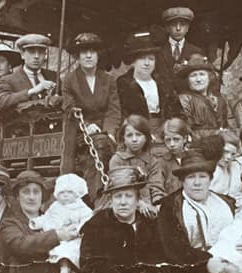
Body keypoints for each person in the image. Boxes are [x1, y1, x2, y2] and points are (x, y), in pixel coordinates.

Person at [60, 32, 121, 202]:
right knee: (99, 146)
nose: (88, 56)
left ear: (98, 55)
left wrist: (109, 130)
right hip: (80, 131)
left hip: (106, 130)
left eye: (92, 52)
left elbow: (113, 109)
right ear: (78, 56)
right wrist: (86, 125)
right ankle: (98, 197)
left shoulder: (108, 80)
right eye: (84, 52)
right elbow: (69, 108)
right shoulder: (69, 80)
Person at [30, 173, 93, 273]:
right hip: (58, 234)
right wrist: (37, 222)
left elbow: (87, 220)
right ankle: (61, 270)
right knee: (54, 247)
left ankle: (66, 271)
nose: (65, 196)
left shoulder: (81, 207)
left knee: (70, 250)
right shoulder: (55, 206)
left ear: (77, 194)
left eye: (69, 193)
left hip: (74, 237)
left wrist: (79, 229)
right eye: (62, 193)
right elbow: (47, 217)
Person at [116, 31, 182, 140]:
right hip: (136, 131)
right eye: (142, 58)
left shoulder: (163, 82)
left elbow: (177, 111)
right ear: (133, 61)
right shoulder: (124, 83)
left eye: (151, 59)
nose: (147, 63)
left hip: (166, 131)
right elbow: (123, 115)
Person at [104, 115, 165, 216]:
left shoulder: (152, 161)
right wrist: (139, 203)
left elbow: (156, 186)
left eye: (138, 135)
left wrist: (158, 203)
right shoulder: (117, 160)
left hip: (149, 206)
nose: (134, 139)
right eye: (129, 135)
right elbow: (120, 188)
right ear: (123, 138)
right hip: (124, 206)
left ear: (146, 137)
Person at [0, 33, 60, 113]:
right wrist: (32, 91)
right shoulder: (8, 80)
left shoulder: (53, 76)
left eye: (40, 52)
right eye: (32, 52)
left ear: (45, 55)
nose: (36, 56)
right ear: (22, 55)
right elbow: (1, 103)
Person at [177, 54, 232, 139]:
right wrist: (217, 133)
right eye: (193, 75)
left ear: (209, 77)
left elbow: (230, 123)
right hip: (198, 145)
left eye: (202, 74)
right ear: (187, 80)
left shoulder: (221, 98)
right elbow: (186, 130)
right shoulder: (184, 99)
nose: (198, 79)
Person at [158, 6, 205, 77]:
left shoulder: (196, 51)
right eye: (173, 25)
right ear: (167, 28)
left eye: (182, 25)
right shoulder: (158, 51)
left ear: (188, 28)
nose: (178, 28)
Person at [158, 117, 191, 198]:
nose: (172, 144)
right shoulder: (161, 162)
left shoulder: (194, 158)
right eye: (168, 140)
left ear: (185, 139)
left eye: (176, 139)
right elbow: (158, 188)